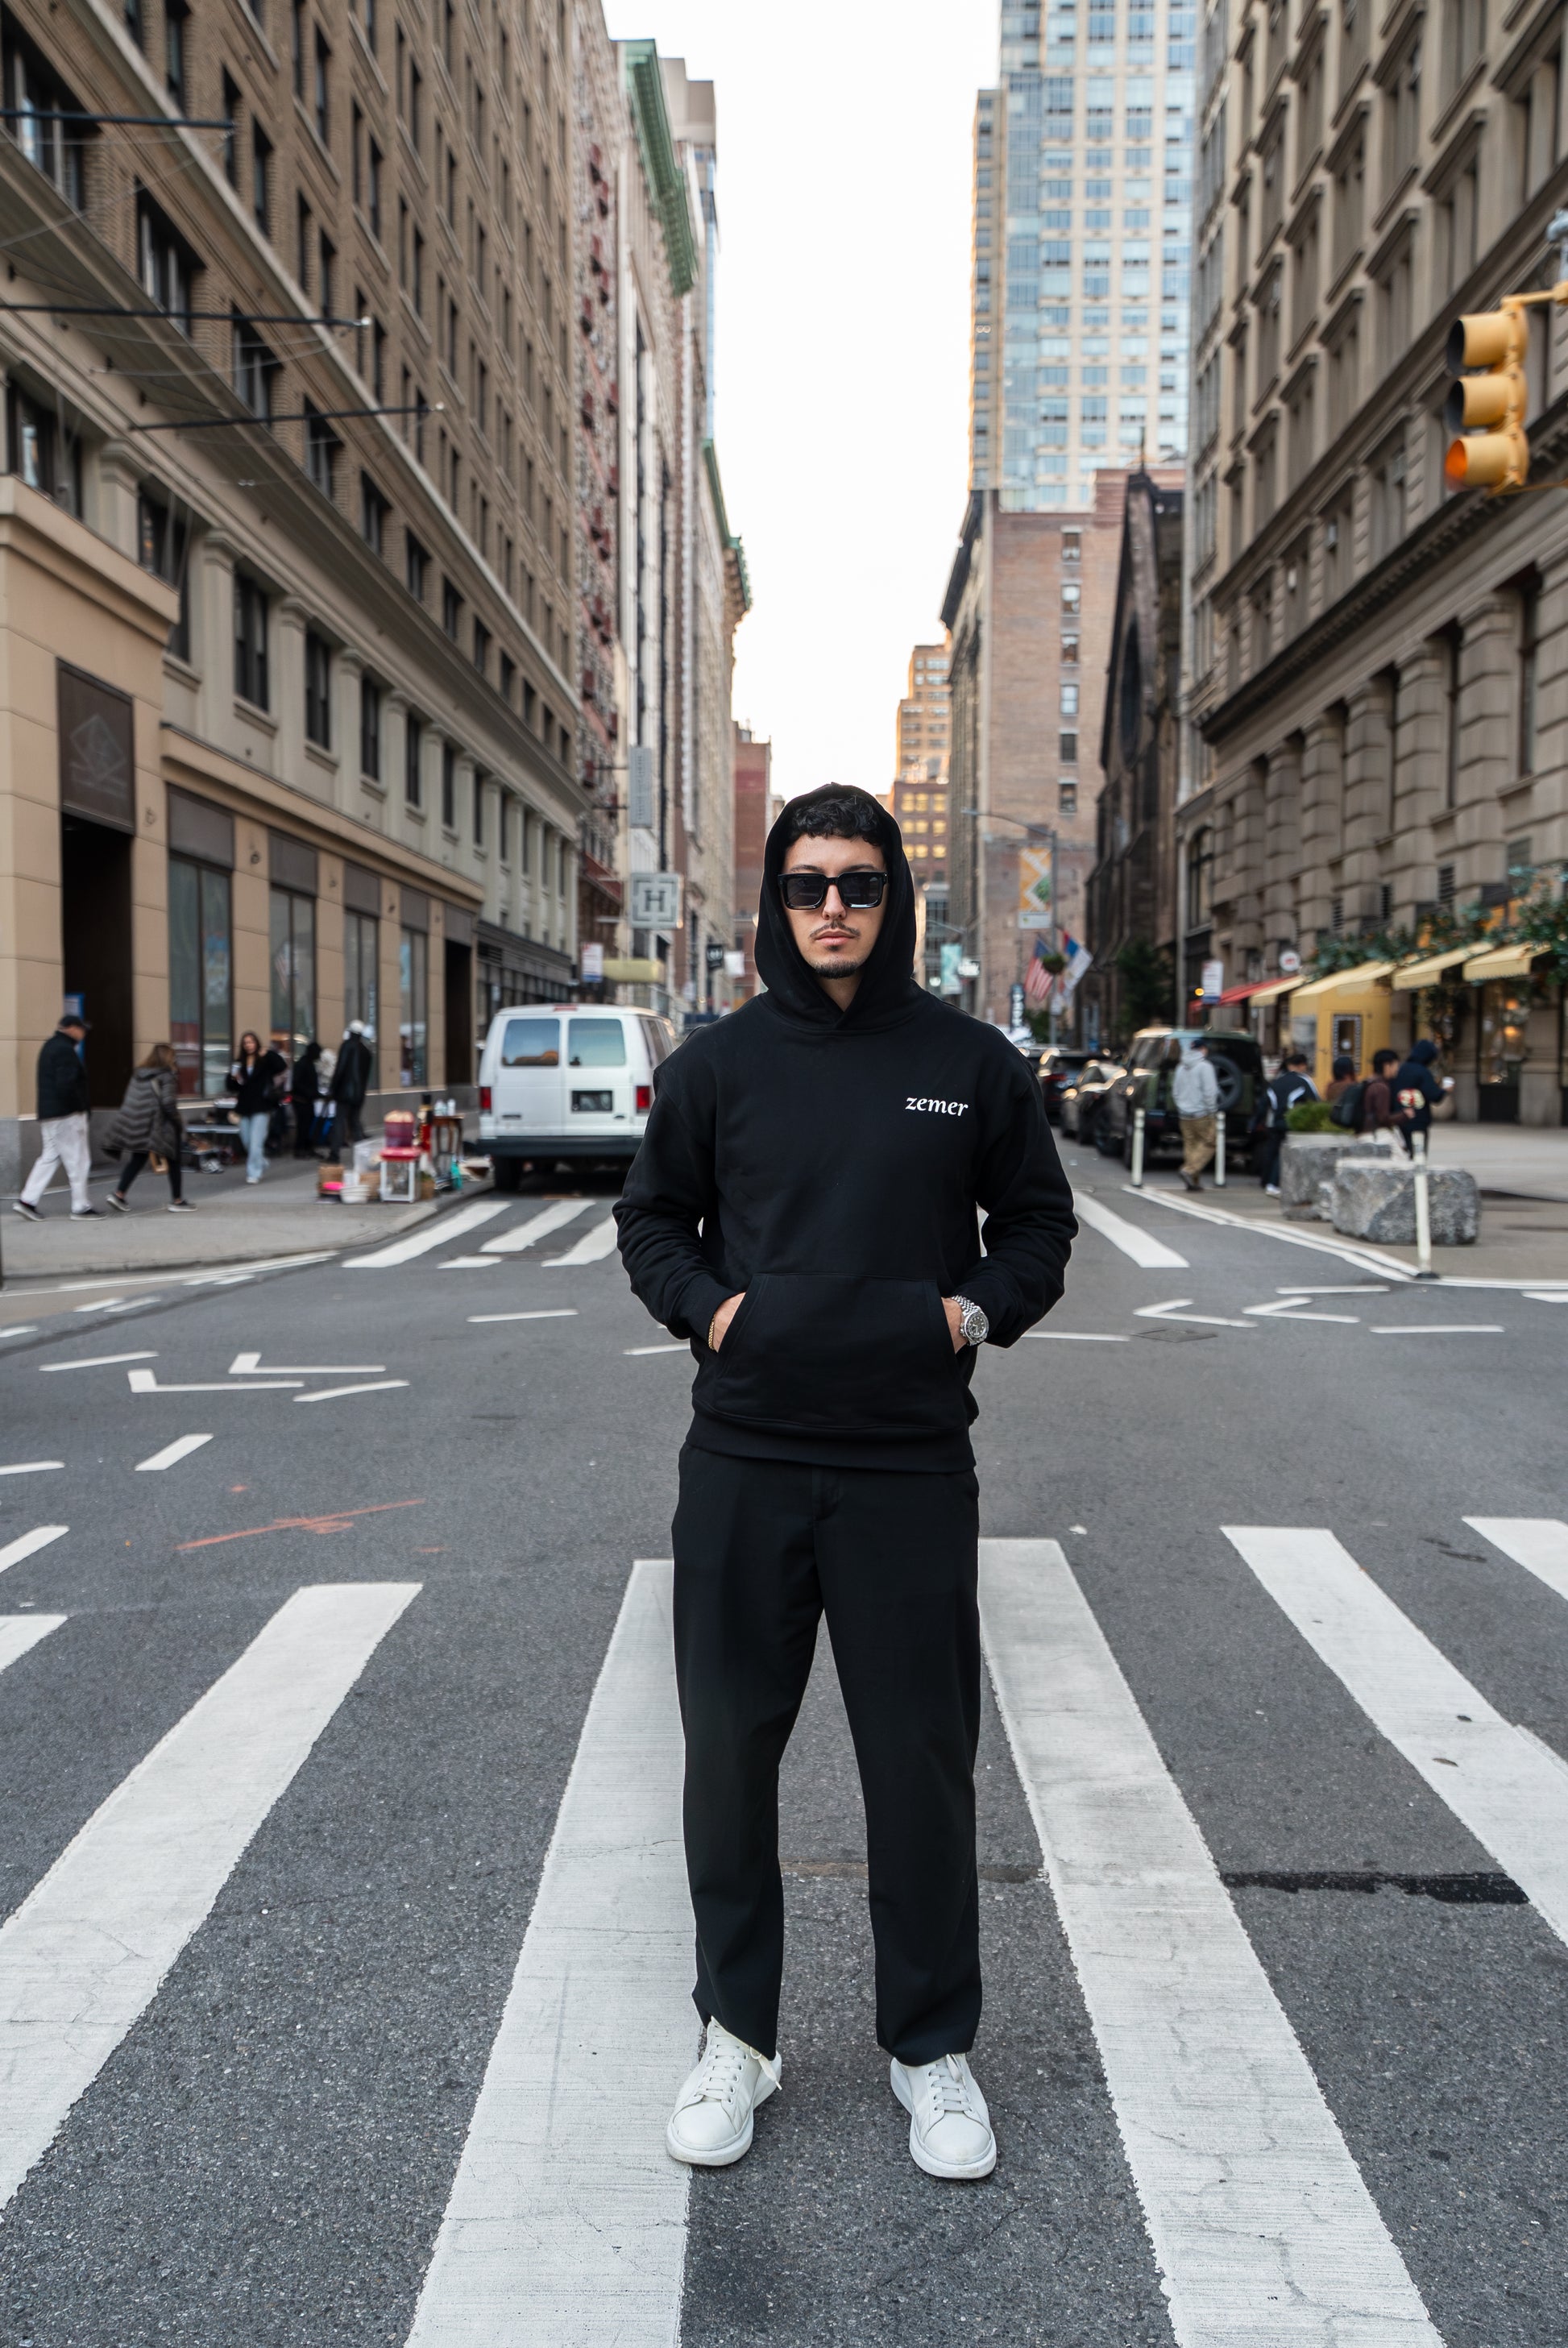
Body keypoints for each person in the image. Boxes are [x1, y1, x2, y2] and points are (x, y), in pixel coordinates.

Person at [615, 784, 1075, 2184]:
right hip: (747, 1457)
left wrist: (967, 1314)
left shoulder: (970, 1061)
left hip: (908, 1466)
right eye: (809, 883)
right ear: (775, 896)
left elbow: (1039, 1224)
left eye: (859, 885)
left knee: (921, 1766)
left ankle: (930, 2045)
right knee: (727, 1759)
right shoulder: (716, 1065)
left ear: (896, 900)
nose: (832, 908)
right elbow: (651, 1220)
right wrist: (714, 1313)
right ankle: (735, 2033)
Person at [13, 1013, 98, 1222]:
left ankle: (27, 1201)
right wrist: (79, 1108)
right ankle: (80, 1206)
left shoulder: (51, 1046)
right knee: (78, 1160)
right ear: (71, 1028)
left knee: (50, 1157)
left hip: (51, 1114)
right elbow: (67, 1084)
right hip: (66, 1115)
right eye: (82, 1029)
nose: (84, 1034)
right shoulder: (64, 1050)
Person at [107, 1044, 193, 1213]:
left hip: (140, 1124)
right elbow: (168, 1104)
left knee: (138, 1159)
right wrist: (178, 1122)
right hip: (162, 1125)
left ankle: (119, 1194)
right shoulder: (167, 1075)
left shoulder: (139, 1075)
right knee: (174, 1160)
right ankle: (177, 1200)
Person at [1255, 1050, 1319, 1196]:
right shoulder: (1304, 1080)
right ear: (1302, 1066)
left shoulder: (1276, 1082)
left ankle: (1265, 1181)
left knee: (1271, 1152)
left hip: (1273, 1123)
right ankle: (1274, 1184)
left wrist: (1256, 1122)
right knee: (1283, 1154)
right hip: (1291, 1123)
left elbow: (1264, 1104)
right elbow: (1314, 1102)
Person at [228, 1031, 287, 1183]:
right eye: (246, 1042)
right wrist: (232, 1077)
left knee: (256, 1142)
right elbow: (231, 1087)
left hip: (261, 1106)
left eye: (251, 1042)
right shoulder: (239, 1062)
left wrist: (269, 1053)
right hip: (244, 1107)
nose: (248, 1045)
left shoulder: (264, 1060)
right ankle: (261, 1162)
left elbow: (282, 1065)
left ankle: (254, 1173)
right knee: (247, 1142)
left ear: (256, 1043)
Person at [1172, 1036, 1220, 1190]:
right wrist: (1212, 1110)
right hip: (1202, 1113)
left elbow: (1175, 1092)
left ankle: (1193, 1182)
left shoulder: (1180, 1067)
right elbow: (1210, 1092)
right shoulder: (1205, 1067)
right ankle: (1189, 1170)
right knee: (1209, 1144)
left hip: (1184, 1115)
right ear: (1203, 1050)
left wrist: (1181, 1107)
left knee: (1191, 1146)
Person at [326, 1021, 375, 1163]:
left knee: (339, 1121)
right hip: (359, 1094)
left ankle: (334, 1154)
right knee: (355, 1123)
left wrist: (333, 1089)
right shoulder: (366, 1050)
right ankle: (363, 1156)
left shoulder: (347, 1046)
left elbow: (340, 1069)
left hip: (344, 1093)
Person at [1390, 1037, 1448, 1154]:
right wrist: (1445, 1090)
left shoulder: (1400, 1069)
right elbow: (1434, 1096)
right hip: (1418, 1120)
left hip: (1399, 1118)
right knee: (1418, 1154)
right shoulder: (1423, 1072)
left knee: (1403, 1154)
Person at [291, 1039, 324, 1158]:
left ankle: (306, 1147)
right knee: (303, 1125)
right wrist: (311, 1093)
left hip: (306, 1100)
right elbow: (297, 1082)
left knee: (307, 1124)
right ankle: (300, 1149)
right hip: (301, 1100)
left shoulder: (308, 1064)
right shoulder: (303, 1064)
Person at [1359, 1048, 1400, 1141]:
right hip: (1377, 1136)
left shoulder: (1368, 1082)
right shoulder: (1381, 1088)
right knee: (1400, 1156)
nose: (1397, 1069)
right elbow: (1383, 1118)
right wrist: (1405, 1115)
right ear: (1387, 1066)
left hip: (1364, 1133)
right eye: (1396, 1065)